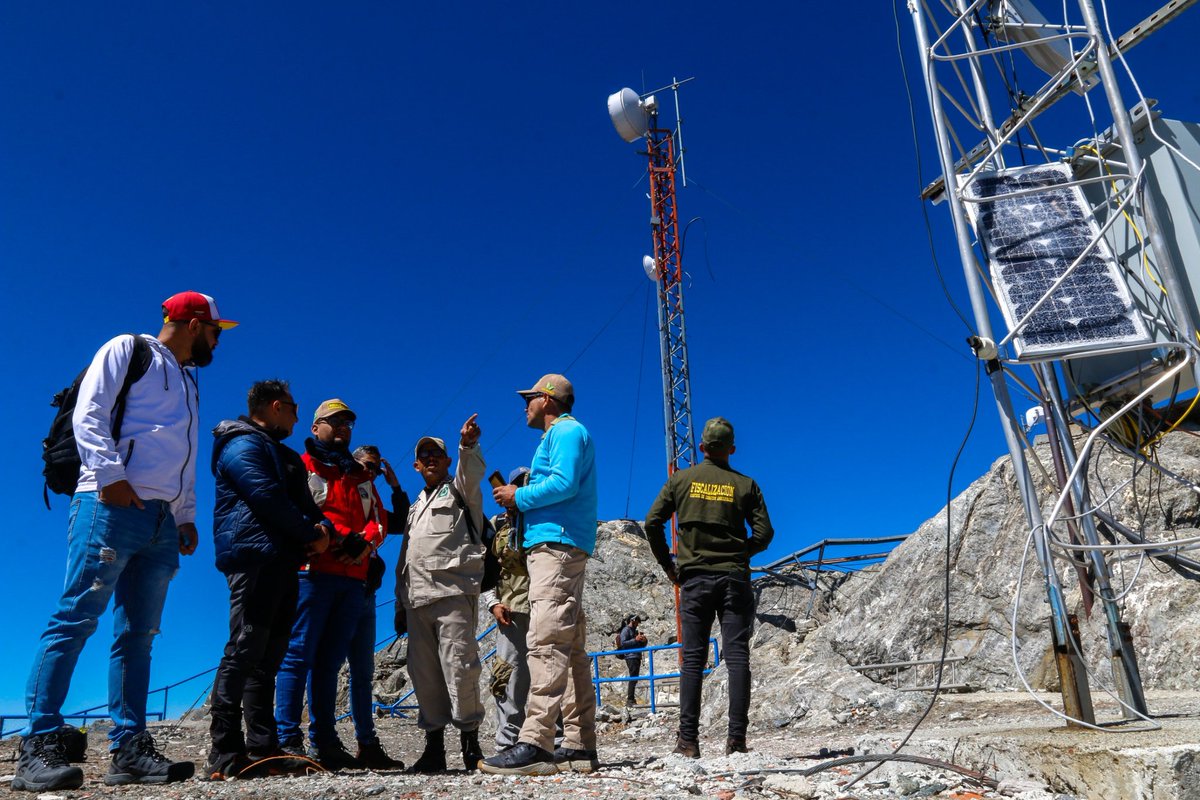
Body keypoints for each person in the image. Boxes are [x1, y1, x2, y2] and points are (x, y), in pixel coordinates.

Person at [16, 291, 235, 791]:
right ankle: (38, 744)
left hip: (161, 521)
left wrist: (185, 514)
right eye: (217, 331)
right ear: (197, 323)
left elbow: (184, 454)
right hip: (110, 503)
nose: (219, 341)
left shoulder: (187, 381)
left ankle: (129, 749)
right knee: (76, 617)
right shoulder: (126, 348)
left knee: (139, 635)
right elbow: (89, 411)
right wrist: (109, 474)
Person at [205, 380, 333, 780]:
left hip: (283, 560)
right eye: (294, 408)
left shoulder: (283, 455)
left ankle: (262, 748)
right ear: (276, 406)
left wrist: (323, 528)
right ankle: (225, 751)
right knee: (244, 649)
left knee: (270, 656)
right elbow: (265, 497)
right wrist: (312, 535)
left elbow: (306, 505)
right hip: (254, 559)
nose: (298, 415)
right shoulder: (241, 443)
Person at [481, 374, 599, 777]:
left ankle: (535, 743)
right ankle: (581, 745)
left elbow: (563, 484)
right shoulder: (566, 434)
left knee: (546, 641)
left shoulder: (565, 431)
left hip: (556, 547)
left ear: (547, 399)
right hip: (564, 544)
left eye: (528, 398)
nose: (524, 405)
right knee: (571, 647)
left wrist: (519, 497)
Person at [643, 417, 774, 758]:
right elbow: (765, 534)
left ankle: (688, 742)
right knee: (737, 658)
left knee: (692, 661)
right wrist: (741, 553)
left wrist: (669, 565)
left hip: (694, 579)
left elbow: (652, 522)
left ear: (701, 447)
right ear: (731, 448)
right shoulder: (746, 485)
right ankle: (736, 742)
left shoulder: (681, 480)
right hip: (734, 578)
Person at [275, 399, 386, 770]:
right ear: (315, 427)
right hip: (312, 573)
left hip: (353, 580)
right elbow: (302, 510)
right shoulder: (302, 466)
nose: (343, 428)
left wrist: (365, 543)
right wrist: (342, 537)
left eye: (348, 423)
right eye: (334, 421)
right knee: (298, 655)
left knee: (330, 662)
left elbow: (379, 520)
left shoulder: (363, 477)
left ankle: (325, 741)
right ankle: (288, 739)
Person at [395, 415, 487, 773]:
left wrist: (467, 445)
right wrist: (400, 602)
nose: (431, 457)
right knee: (426, 676)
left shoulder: (461, 490)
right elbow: (405, 556)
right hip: (416, 600)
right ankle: (434, 750)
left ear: (448, 461)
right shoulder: (415, 507)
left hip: (452, 593)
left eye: (438, 453)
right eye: (425, 454)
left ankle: (471, 747)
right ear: (416, 464)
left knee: (460, 667)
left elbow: (472, 471)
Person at [345, 445, 408, 770]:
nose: (370, 473)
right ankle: (317, 741)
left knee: (362, 672)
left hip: (365, 591)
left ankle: (366, 743)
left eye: (375, 469)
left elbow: (402, 521)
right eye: (366, 466)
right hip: (338, 585)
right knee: (322, 666)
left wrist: (395, 486)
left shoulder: (375, 503)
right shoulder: (341, 491)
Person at [480, 467, 532, 749]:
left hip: (543, 608)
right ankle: (507, 743)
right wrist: (492, 603)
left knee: (550, 675)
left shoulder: (542, 520)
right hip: (510, 611)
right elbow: (485, 571)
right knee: (507, 677)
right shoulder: (497, 525)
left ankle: (555, 740)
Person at [618, 615, 647, 707]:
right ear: (632, 620)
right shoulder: (626, 630)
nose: (638, 624)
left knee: (634, 678)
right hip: (631, 656)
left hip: (636, 656)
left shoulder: (635, 631)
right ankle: (630, 700)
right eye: (637, 622)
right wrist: (635, 639)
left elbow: (640, 645)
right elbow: (623, 643)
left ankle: (631, 699)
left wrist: (643, 641)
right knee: (633, 678)